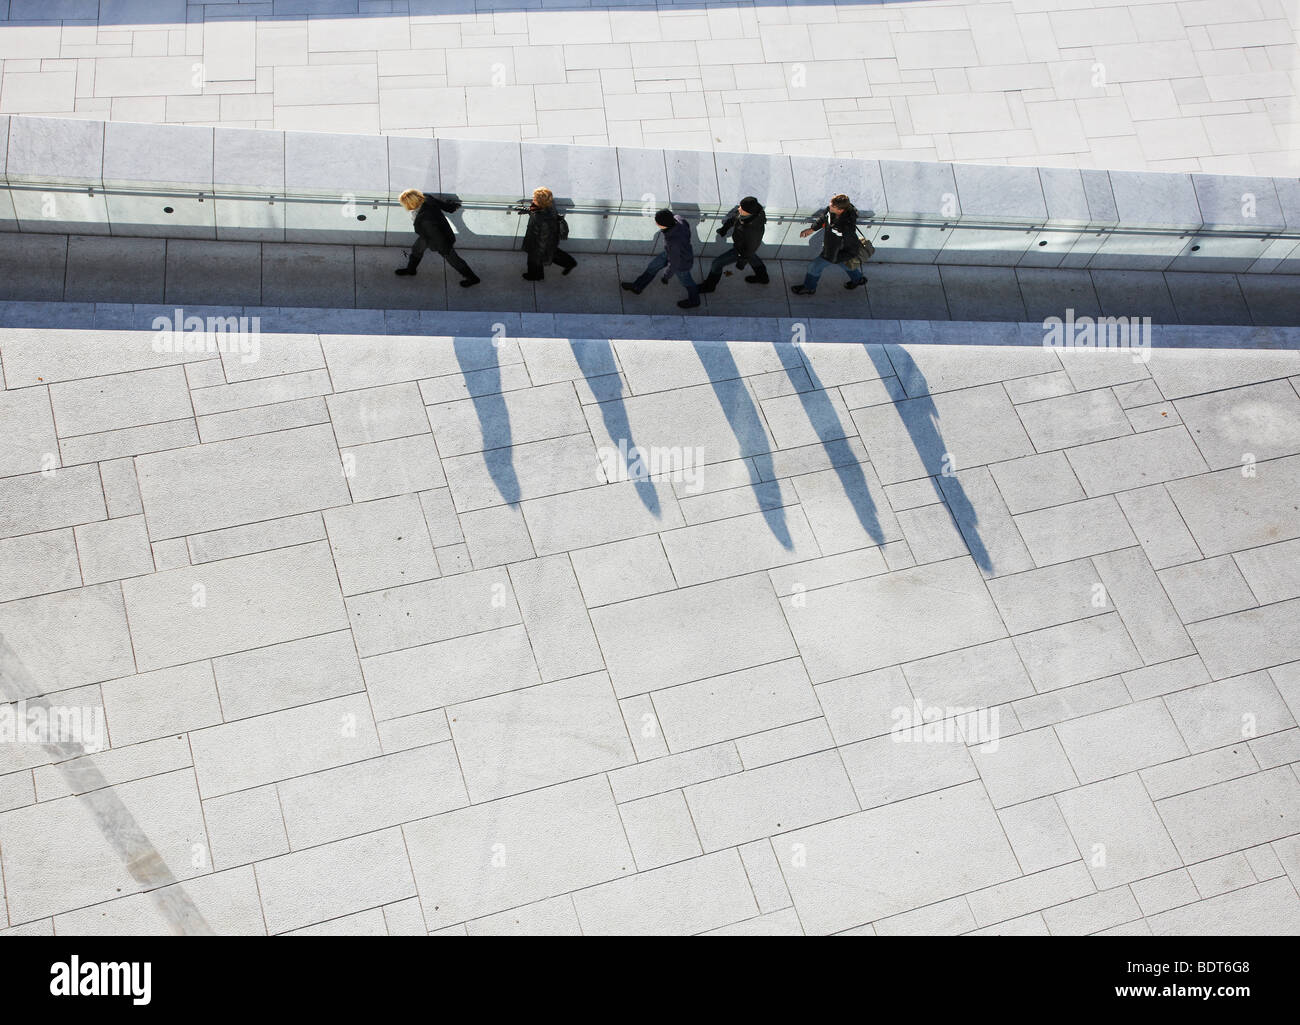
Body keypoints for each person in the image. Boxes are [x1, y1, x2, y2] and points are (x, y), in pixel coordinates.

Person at [394, 188, 480, 287]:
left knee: (453, 259)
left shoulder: (425, 220)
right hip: (431, 234)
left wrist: (442, 249)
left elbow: (436, 236)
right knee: (416, 249)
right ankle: (411, 270)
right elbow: (443, 206)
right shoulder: (426, 198)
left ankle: (473, 278)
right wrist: (451, 207)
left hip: (439, 239)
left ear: (411, 203)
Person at [621, 209, 700, 309]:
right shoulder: (679, 219)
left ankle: (695, 300)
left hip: (681, 262)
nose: (656, 223)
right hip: (671, 253)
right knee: (652, 267)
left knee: (686, 281)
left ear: (664, 225)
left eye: (657, 222)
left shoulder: (673, 241)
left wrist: (666, 276)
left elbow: (674, 263)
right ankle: (637, 286)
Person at [791, 193, 867, 296]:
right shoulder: (832, 209)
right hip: (834, 248)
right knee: (845, 264)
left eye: (832, 206)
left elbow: (850, 245)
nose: (829, 206)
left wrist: (833, 258)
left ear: (840, 210)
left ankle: (809, 288)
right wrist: (812, 229)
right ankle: (858, 279)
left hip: (837, 252)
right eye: (830, 204)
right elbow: (824, 218)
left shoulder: (846, 226)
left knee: (814, 267)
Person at [698, 196, 768, 293]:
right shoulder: (751, 212)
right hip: (744, 245)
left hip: (741, 249)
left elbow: (750, 248)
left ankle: (709, 286)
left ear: (748, 212)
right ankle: (762, 277)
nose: (738, 208)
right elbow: (736, 217)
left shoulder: (752, 230)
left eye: (741, 208)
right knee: (751, 256)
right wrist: (724, 229)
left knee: (717, 264)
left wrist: (741, 263)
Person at [520, 187, 577, 281]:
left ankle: (535, 276)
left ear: (541, 202)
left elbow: (543, 239)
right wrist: (527, 210)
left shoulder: (543, 220)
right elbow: (535, 211)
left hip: (540, 242)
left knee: (534, 259)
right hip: (546, 240)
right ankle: (569, 263)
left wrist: (539, 252)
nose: (533, 199)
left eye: (535, 198)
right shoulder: (546, 206)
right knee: (553, 253)